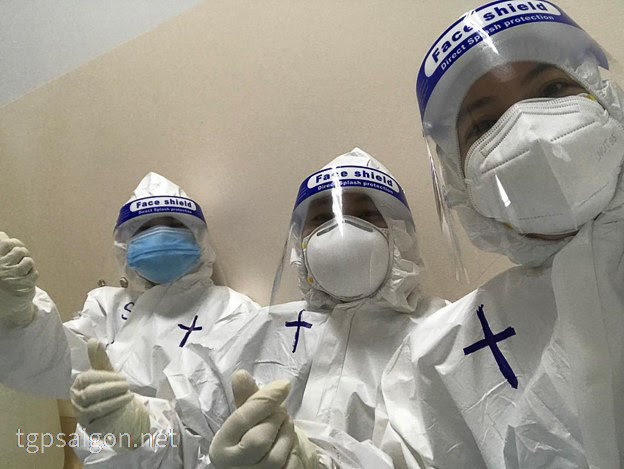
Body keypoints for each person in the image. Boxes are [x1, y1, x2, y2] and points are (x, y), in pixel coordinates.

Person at [374, 1, 624, 468]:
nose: (531, 131)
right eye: (487, 124)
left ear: (607, 103)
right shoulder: (443, 355)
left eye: (551, 90)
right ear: (459, 181)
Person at [159, 148, 447, 468]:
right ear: (300, 241)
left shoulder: (442, 336)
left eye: (365, 215)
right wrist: (136, 433)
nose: (342, 230)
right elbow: (178, 433)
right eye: (322, 218)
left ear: (400, 234)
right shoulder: (254, 331)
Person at [0, 172, 259, 467]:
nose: (160, 235)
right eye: (145, 228)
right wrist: (19, 314)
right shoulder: (107, 307)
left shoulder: (234, 309)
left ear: (199, 239)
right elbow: (59, 365)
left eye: (174, 224)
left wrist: (143, 430)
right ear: (125, 246)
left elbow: (237, 421)